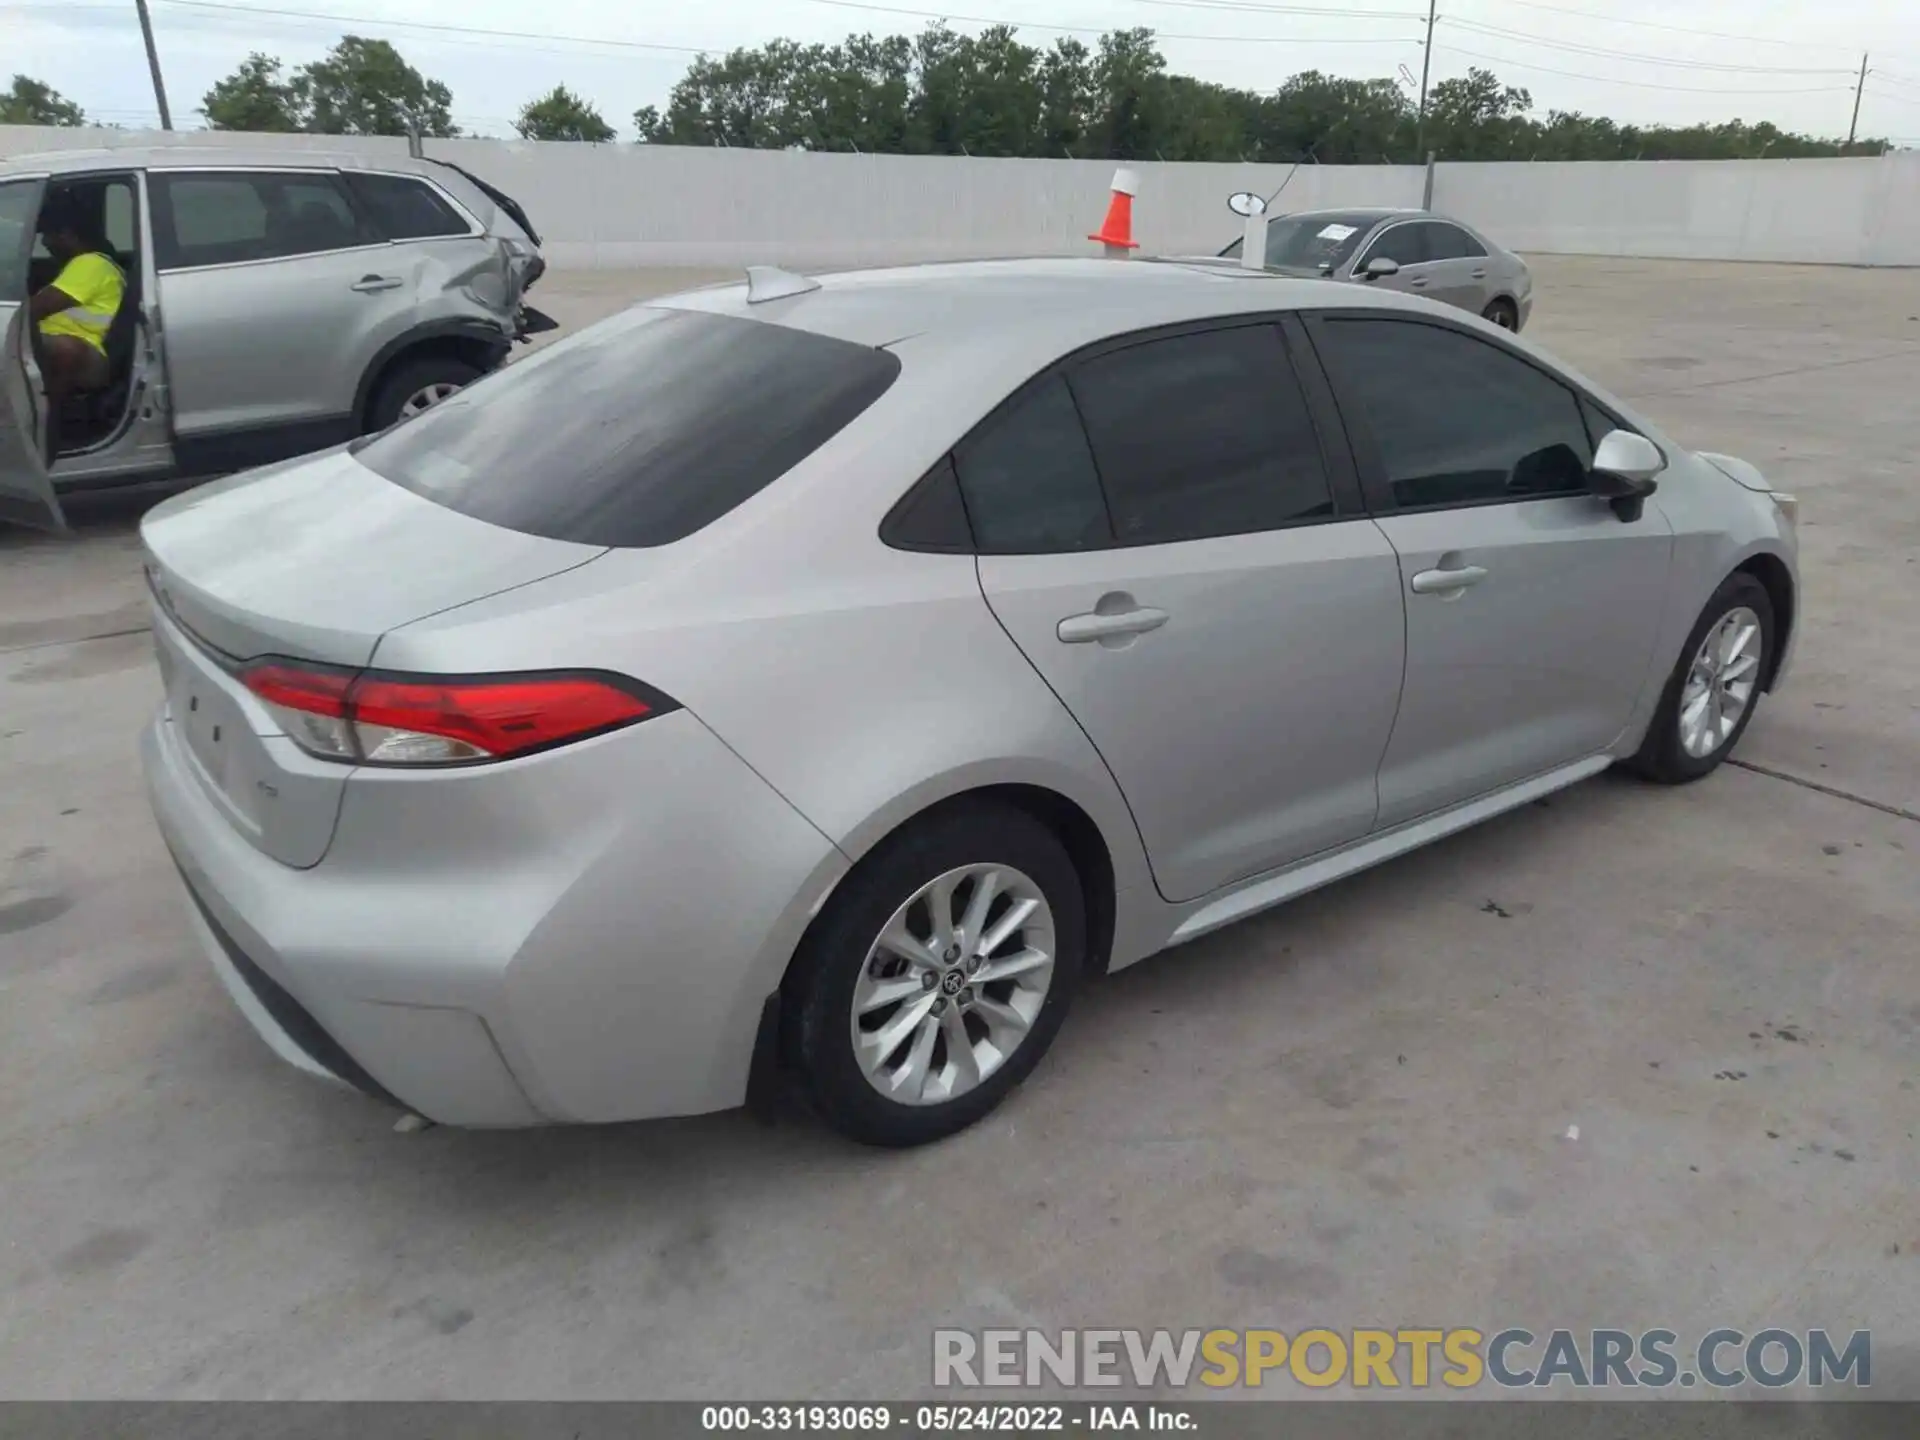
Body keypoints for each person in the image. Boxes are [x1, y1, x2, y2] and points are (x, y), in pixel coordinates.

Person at [29, 193, 125, 418]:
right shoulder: (80, 266)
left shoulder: (90, 264)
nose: (44, 243)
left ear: (68, 235)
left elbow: (37, 308)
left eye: (48, 235)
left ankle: (47, 419)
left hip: (84, 354)